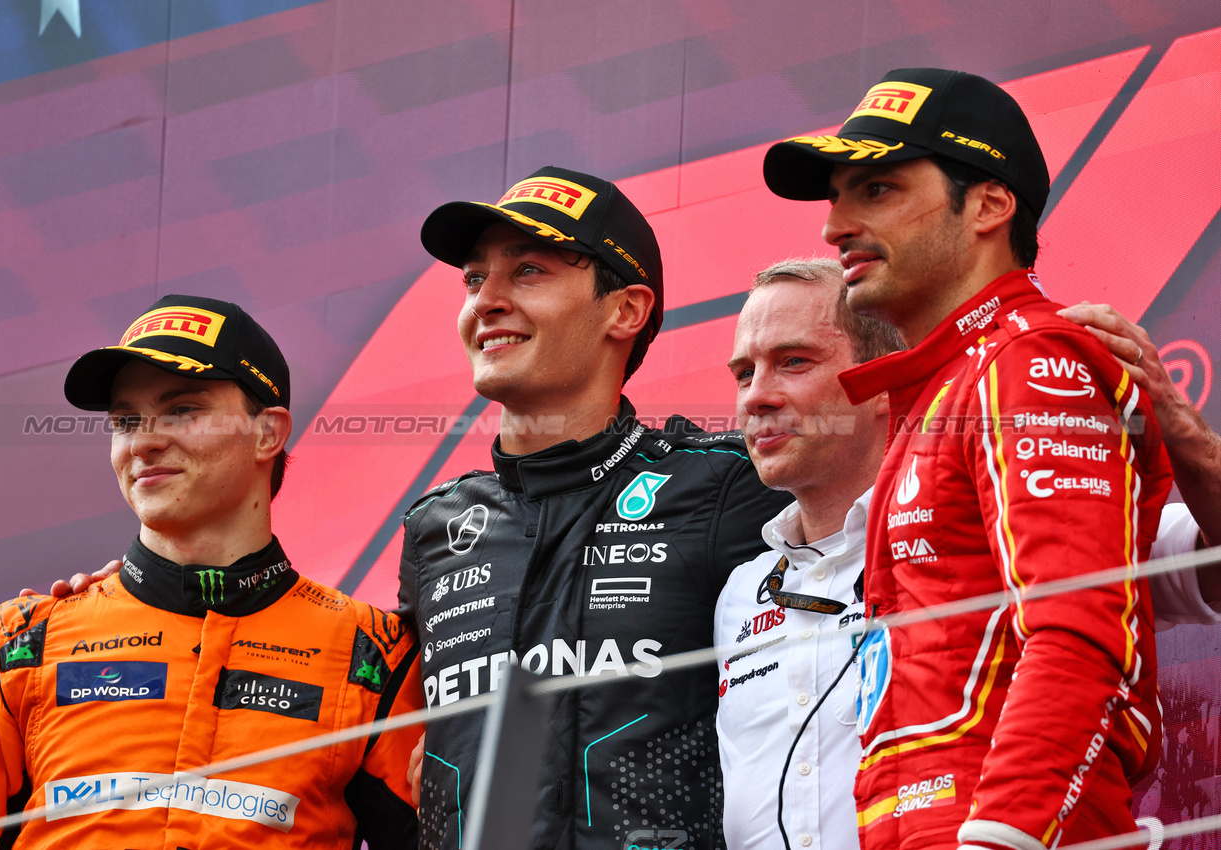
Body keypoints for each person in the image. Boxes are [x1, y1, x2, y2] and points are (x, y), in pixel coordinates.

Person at [762, 68, 1176, 850]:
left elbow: (1081, 633)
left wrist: (1003, 836)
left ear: (988, 204)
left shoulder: (1031, 360)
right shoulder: (949, 384)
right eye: (836, 197)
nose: (834, 226)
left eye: (876, 190)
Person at [715, 261, 1221, 850]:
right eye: (743, 373)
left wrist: (1184, 430)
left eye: (793, 361)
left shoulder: (1006, 516)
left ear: (882, 381)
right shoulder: (739, 592)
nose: (756, 397)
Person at [400, 166, 793, 850]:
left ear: (626, 310)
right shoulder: (435, 527)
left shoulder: (725, 484)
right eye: (472, 278)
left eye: (527, 272)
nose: (485, 300)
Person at [0, 296, 423, 849]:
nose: (144, 441)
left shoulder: (372, 653)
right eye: (126, 420)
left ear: (267, 433)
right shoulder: (20, 643)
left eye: (182, 410)